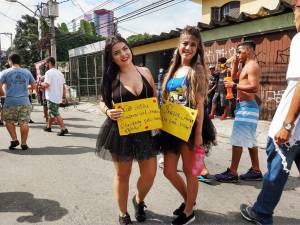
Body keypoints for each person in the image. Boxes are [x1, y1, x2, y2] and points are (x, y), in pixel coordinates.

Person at [240, 2, 300, 224]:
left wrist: (287, 125)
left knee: (276, 171)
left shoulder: (299, 40)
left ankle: (262, 212)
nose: (295, 12)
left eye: (297, 7)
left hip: (291, 127)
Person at [95, 35, 160, 225]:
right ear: (111, 57)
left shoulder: (145, 71)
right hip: (120, 132)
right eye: (116, 52)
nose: (123, 54)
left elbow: (154, 99)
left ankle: (138, 200)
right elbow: (101, 101)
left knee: (150, 175)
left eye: (125, 49)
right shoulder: (110, 78)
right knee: (123, 175)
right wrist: (108, 111)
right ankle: (123, 213)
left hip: (147, 132)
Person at [160, 26, 216, 225]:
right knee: (168, 170)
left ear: (198, 48)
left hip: (191, 127)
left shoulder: (197, 70)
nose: (188, 47)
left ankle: (189, 210)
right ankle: (189, 201)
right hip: (172, 127)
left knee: (191, 170)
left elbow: (200, 104)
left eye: (193, 44)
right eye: (185, 43)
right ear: (179, 45)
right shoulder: (173, 69)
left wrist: (199, 134)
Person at [215, 41, 262, 182]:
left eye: (239, 52)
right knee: (251, 140)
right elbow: (234, 76)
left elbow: (254, 87)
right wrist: (235, 63)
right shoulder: (245, 66)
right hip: (245, 107)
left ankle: (233, 172)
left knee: (237, 140)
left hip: (247, 107)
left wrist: (234, 86)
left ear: (248, 51)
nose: (237, 55)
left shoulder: (252, 66)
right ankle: (256, 170)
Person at [0, 53, 36, 150]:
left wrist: (2, 93)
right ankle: (24, 143)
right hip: (24, 101)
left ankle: (14, 139)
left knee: (8, 121)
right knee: (24, 122)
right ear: (19, 61)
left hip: (10, 101)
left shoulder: (5, 72)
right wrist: (26, 87)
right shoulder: (27, 72)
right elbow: (34, 86)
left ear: (10, 61)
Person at [41, 57, 68, 136]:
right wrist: (64, 97)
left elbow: (46, 85)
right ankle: (48, 127)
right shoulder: (60, 73)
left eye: (46, 63)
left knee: (55, 113)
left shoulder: (48, 73)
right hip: (58, 96)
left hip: (51, 96)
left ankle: (63, 128)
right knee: (51, 112)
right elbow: (63, 86)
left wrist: (40, 84)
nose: (45, 65)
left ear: (49, 63)